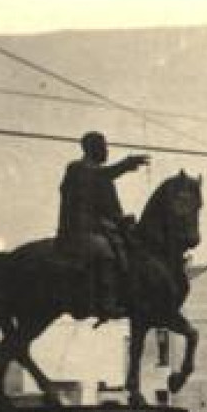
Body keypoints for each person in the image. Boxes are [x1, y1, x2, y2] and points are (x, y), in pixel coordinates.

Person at [55, 131, 150, 319]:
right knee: (104, 251)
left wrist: (124, 220)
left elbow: (111, 206)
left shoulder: (102, 176)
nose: (107, 150)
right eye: (103, 146)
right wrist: (124, 165)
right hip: (79, 230)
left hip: (100, 227)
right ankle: (107, 303)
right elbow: (99, 176)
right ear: (92, 148)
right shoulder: (78, 168)